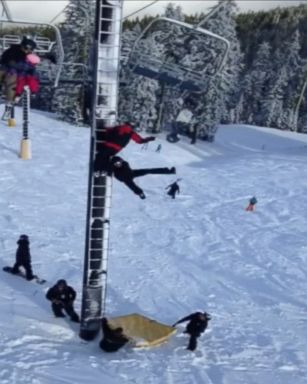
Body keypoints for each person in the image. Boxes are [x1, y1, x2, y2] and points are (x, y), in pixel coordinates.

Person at [110, 155, 176, 199]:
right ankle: (141, 194)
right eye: (116, 164)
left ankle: (168, 171)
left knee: (148, 171)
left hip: (132, 173)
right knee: (133, 187)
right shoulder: (113, 168)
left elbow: (122, 163)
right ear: (114, 164)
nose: (118, 164)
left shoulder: (124, 163)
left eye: (119, 162)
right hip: (126, 179)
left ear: (121, 161)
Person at [0, 36, 37, 104]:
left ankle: (10, 100)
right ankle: (10, 99)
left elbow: (31, 63)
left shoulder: (28, 55)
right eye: (26, 48)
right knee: (9, 77)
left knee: (13, 82)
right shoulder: (13, 51)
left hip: (16, 73)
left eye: (30, 49)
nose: (28, 51)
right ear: (22, 46)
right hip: (7, 69)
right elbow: (7, 61)